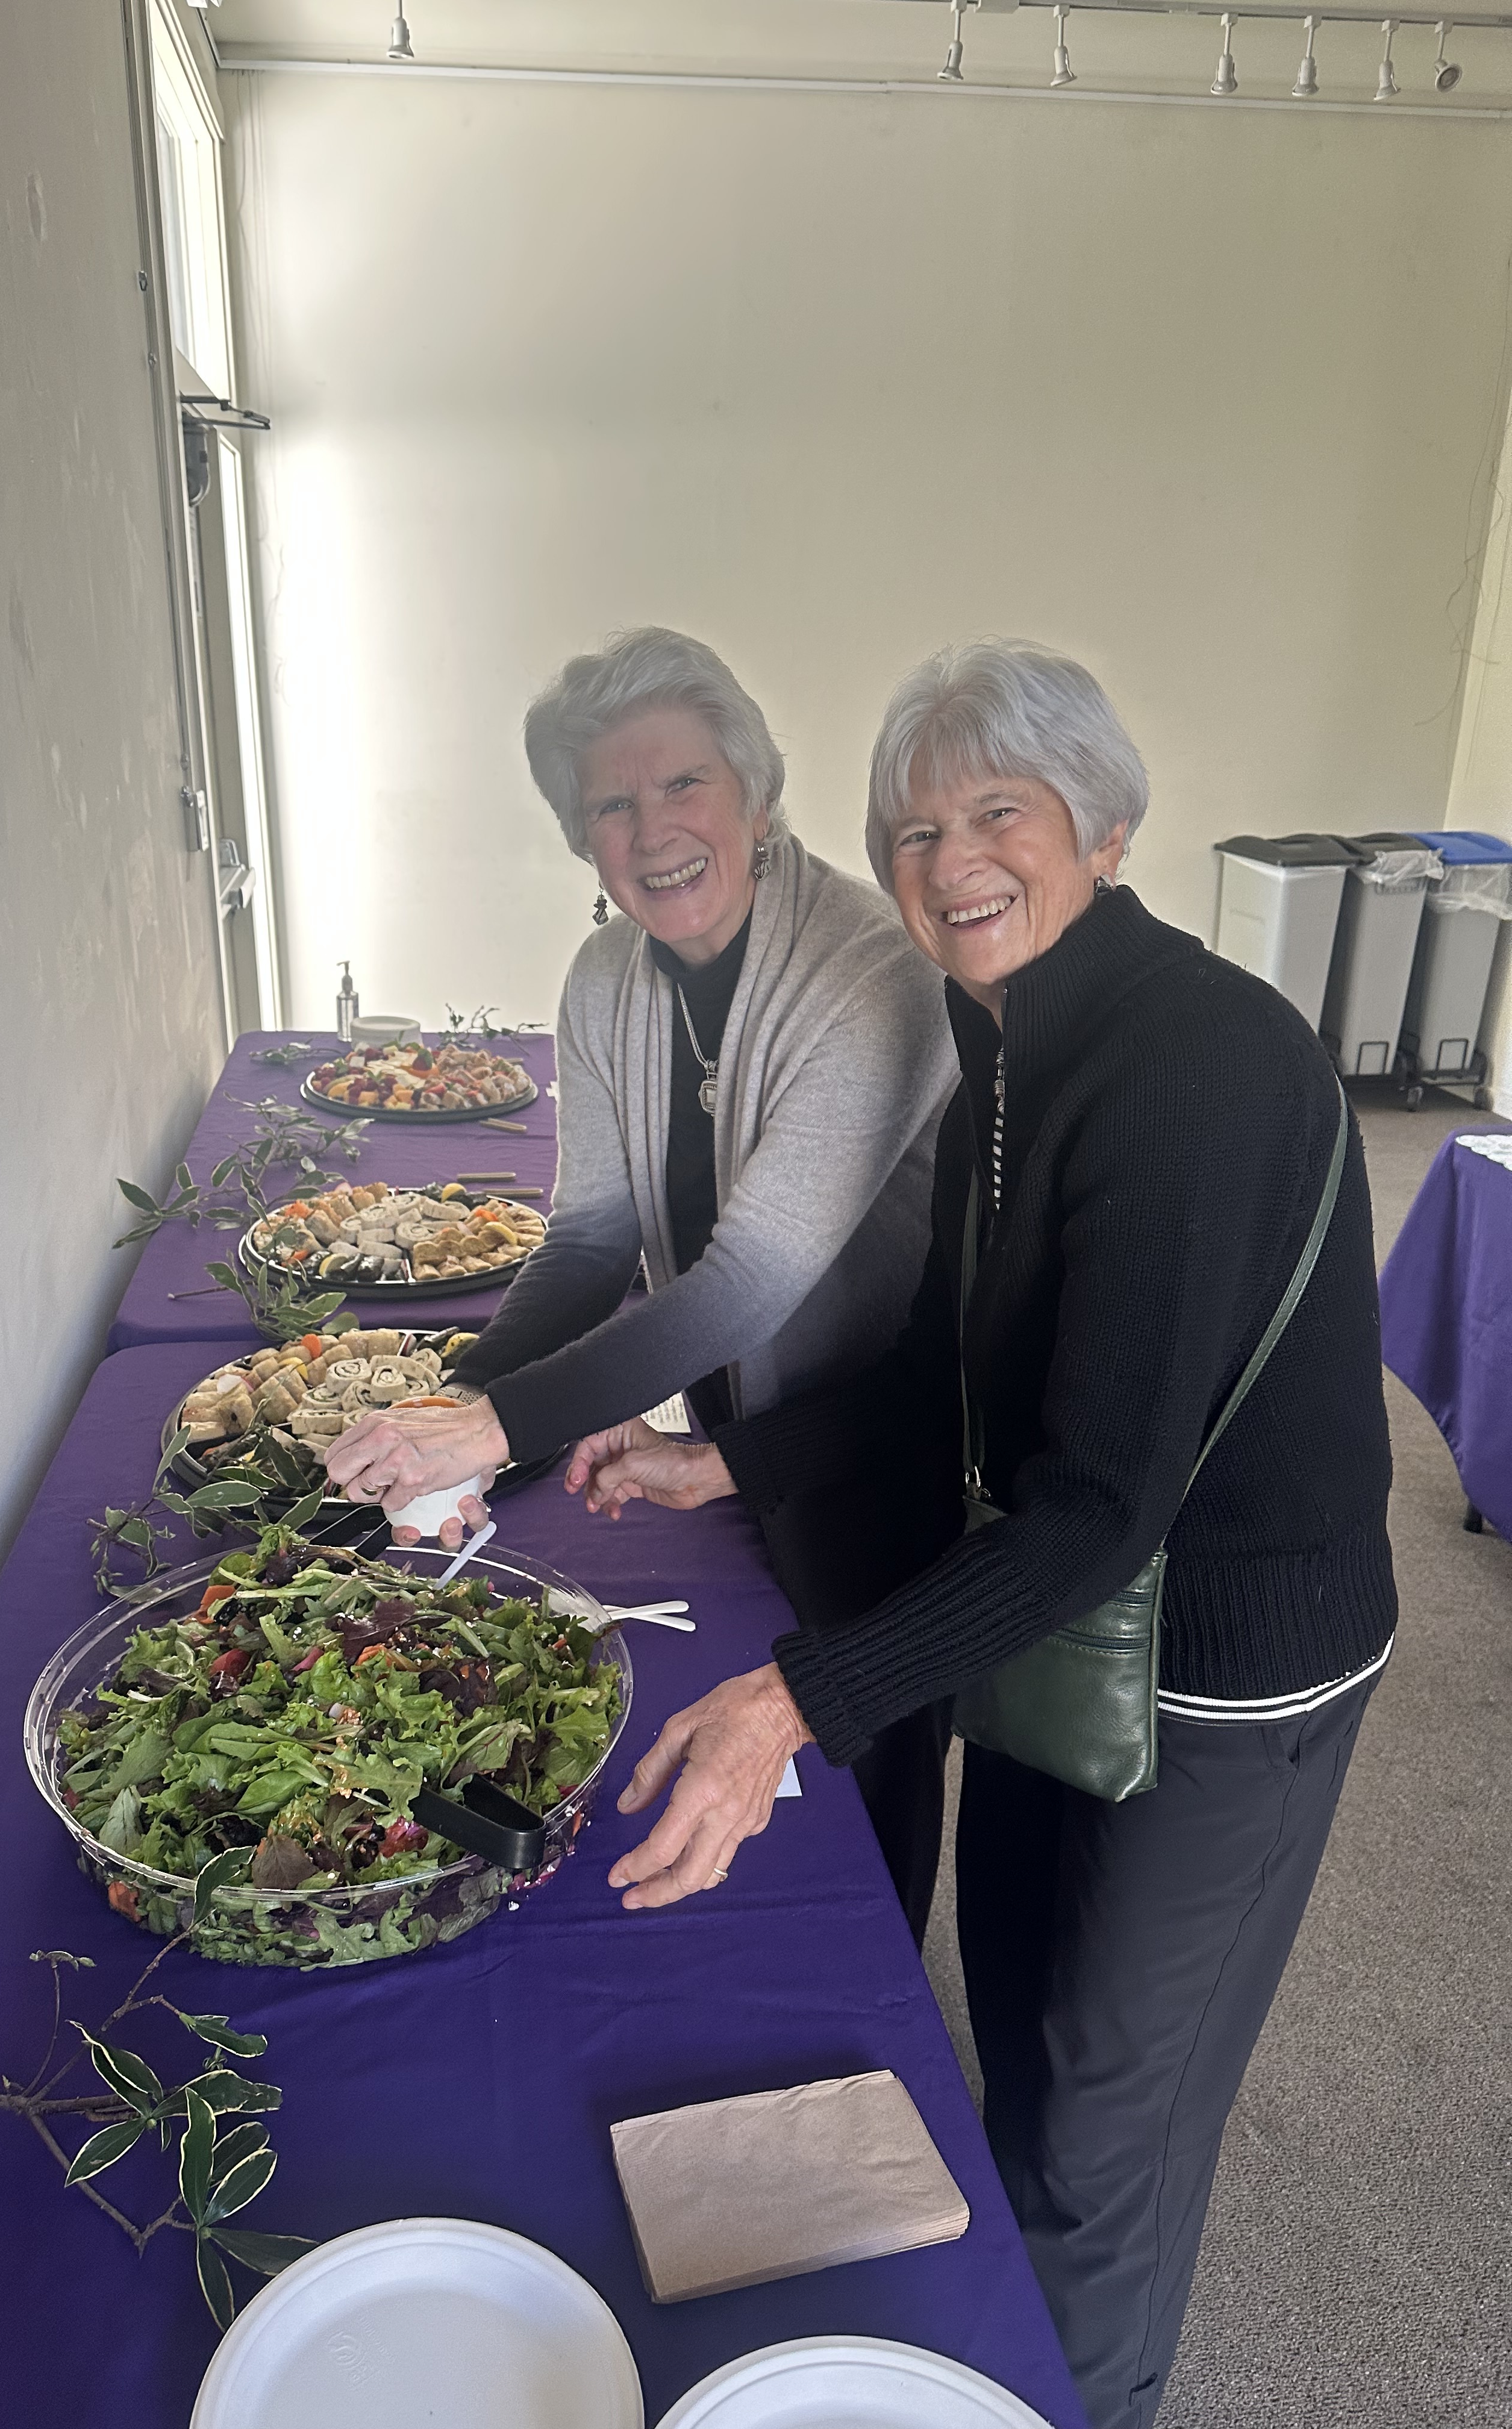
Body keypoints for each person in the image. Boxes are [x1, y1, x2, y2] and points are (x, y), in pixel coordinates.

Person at [568, 639, 1396, 2429]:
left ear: (1101, 823)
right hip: (1057, 1610)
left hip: (1223, 1663)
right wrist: (747, 1461)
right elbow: (963, 1360)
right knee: (1011, 2030)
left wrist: (802, 1697)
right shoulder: (1000, 1029)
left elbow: (1103, 1496)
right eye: (913, 828)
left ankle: (1084, 2399)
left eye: (996, 814)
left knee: (1109, 2113)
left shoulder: (1189, 1067)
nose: (950, 864)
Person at [326, 626, 959, 1936]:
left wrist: (494, 1425)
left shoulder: (870, 974)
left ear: (756, 795)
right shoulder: (607, 976)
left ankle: (887, 1970)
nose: (653, 828)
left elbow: (747, 1287)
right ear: (581, 838)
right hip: (740, 1432)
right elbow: (590, 1242)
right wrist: (451, 1438)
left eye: (684, 785)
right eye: (611, 802)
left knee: (863, 1763)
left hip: (884, 1436)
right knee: (738, 1758)